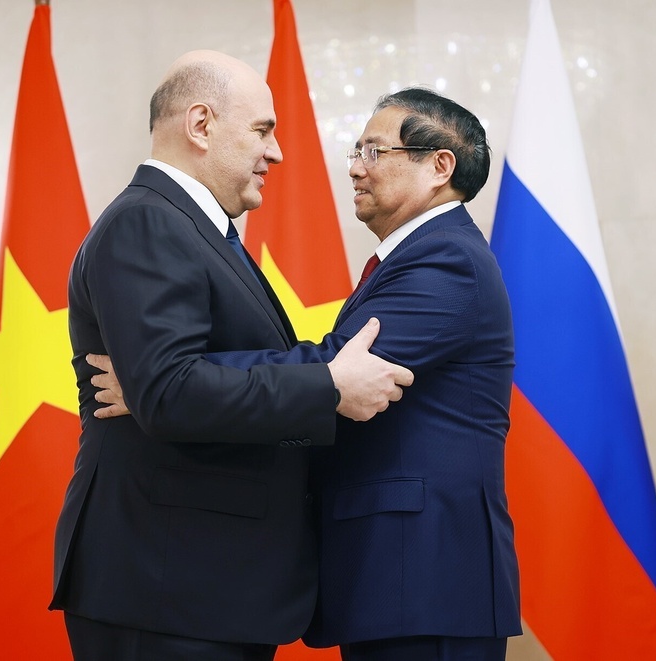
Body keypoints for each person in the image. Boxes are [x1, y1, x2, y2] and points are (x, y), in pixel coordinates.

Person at [93, 87, 522, 660]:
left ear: (439, 166)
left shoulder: (448, 260)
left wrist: (168, 379)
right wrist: (169, 378)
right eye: (356, 151)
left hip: (425, 574)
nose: (354, 167)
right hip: (397, 576)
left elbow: (337, 368)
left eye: (374, 153)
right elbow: (333, 378)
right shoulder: (418, 256)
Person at [49, 50, 414, 661]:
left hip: (198, 586)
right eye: (262, 130)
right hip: (165, 586)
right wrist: (327, 386)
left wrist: (160, 386)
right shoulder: (148, 222)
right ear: (200, 125)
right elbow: (169, 393)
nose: (276, 153)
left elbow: (169, 385)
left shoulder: (197, 228)